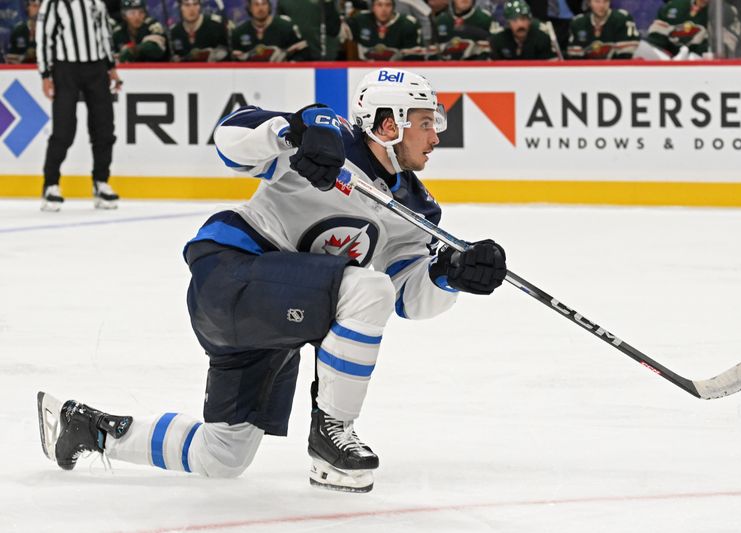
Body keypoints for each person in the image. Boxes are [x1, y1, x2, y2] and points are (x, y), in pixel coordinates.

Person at [37, 68, 508, 493]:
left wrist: (450, 275)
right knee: (367, 288)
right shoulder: (328, 142)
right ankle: (332, 433)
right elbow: (229, 138)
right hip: (232, 274)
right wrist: (293, 130)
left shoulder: (418, 211)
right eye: (426, 122)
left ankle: (87, 429)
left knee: (223, 455)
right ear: (390, 124)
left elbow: (408, 297)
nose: (436, 135)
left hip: (278, 314)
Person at [36, 0, 122, 211]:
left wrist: (111, 66)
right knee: (64, 130)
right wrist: (45, 73)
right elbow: (43, 36)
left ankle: (101, 182)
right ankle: (51, 184)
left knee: (104, 128)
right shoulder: (54, 3)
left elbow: (104, 33)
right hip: (66, 68)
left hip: (97, 67)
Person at [637, 0, 741, 59]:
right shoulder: (674, 6)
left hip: (704, 69)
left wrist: (701, 45)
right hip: (669, 65)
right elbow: (655, 42)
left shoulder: (726, 12)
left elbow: (725, 51)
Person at [231, 0, 310, 61]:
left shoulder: (285, 27)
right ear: (250, 8)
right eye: (256, 4)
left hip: (282, 75)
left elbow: (303, 52)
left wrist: (291, 64)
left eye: (264, 3)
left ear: (269, 6)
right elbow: (234, 59)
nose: (260, 8)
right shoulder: (239, 32)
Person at [345, 0, 426, 60]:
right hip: (364, 69)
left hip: (399, 71)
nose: (383, 9)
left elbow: (415, 58)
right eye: (379, 5)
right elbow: (339, 33)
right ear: (373, 7)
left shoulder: (408, 24)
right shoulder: (360, 19)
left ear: (393, 7)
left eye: (388, 5)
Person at [566, 0, 640, 60]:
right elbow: (575, 58)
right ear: (589, 3)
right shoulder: (579, 23)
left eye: (605, 1)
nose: (602, 6)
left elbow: (626, 56)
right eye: (597, 1)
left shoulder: (622, 19)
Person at [490, 0, 558, 59]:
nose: (520, 25)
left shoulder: (542, 40)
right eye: (514, 20)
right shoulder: (498, 41)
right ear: (508, 23)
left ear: (530, 21)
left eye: (523, 19)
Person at [276, 0, 341, 60]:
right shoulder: (284, 2)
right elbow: (281, 31)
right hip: (296, 57)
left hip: (324, 59)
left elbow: (334, 30)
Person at [5, 0, 39, 64]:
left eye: (40, 6)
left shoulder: (48, 31)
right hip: (22, 70)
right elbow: (10, 60)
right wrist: (24, 56)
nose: (38, 9)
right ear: (27, 8)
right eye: (34, 6)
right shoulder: (19, 30)